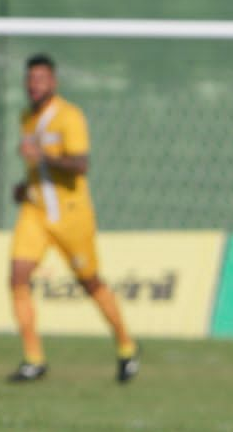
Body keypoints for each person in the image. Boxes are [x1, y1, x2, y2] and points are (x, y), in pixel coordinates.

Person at [8, 53, 141, 385]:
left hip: (71, 216)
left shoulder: (69, 117)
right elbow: (36, 164)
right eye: (30, 79)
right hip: (36, 212)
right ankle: (33, 359)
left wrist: (43, 156)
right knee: (17, 277)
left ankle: (126, 347)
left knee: (90, 282)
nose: (34, 85)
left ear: (53, 82)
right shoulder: (26, 117)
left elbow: (80, 165)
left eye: (41, 79)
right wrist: (25, 187)